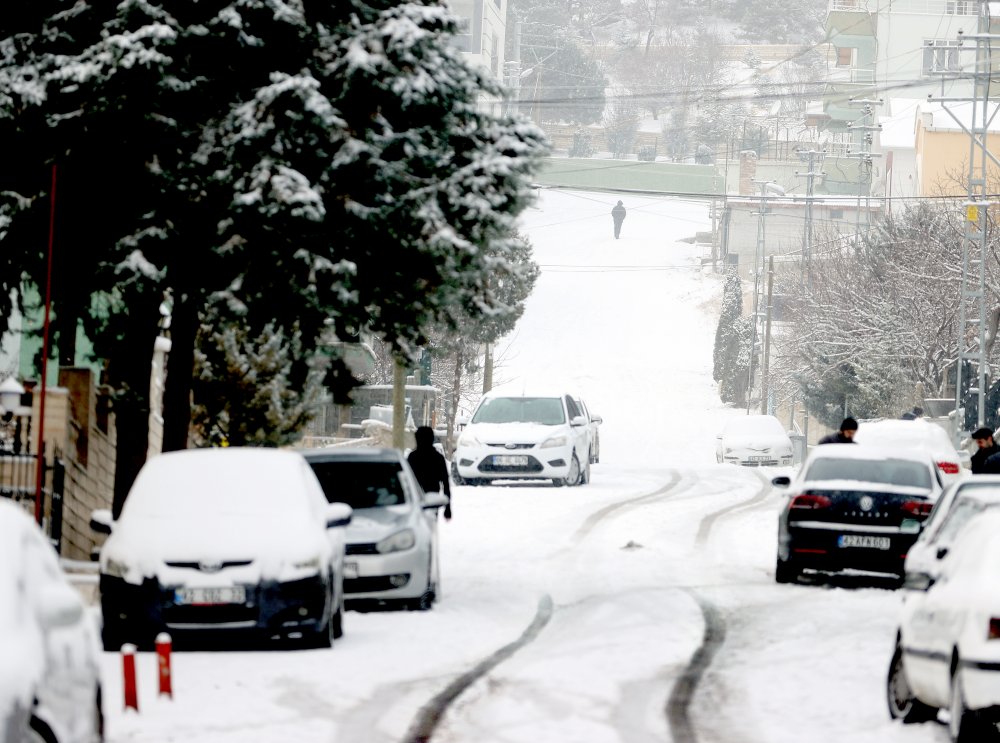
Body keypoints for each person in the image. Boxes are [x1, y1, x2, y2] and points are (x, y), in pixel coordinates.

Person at [407, 426, 452, 520]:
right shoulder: (438, 458)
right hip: (432, 502)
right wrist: (448, 507)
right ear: (432, 439)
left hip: (413, 502)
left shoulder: (412, 458)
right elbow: (446, 483)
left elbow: (405, 481)